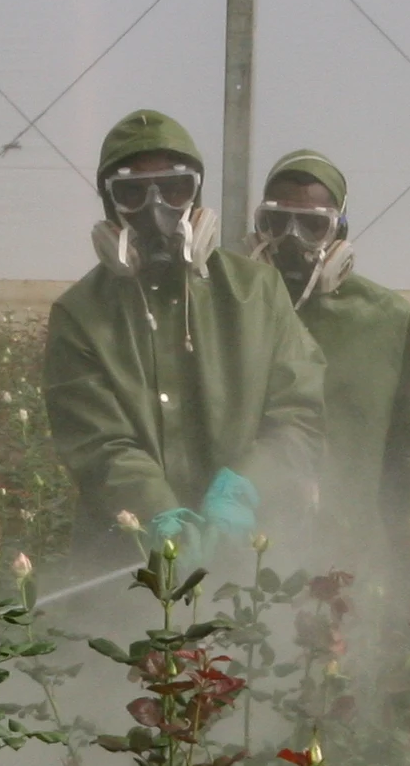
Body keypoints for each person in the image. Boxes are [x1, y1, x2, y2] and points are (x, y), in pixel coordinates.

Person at [42, 110, 325, 566]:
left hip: (252, 554)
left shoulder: (258, 294)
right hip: (130, 560)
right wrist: (156, 510)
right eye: (132, 193)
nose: (157, 210)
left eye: (175, 188)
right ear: (109, 204)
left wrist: (248, 486)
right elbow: (97, 444)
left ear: (197, 193)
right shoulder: (81, 314)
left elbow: (299, 414)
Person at [252, 150, 410, 545]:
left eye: (313, 225)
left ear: (339, 232)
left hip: (352, 541)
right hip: (252, 534)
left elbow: (407, 447)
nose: (290, 239)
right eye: (276, 222)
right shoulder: (233, 307)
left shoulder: (385, 317)